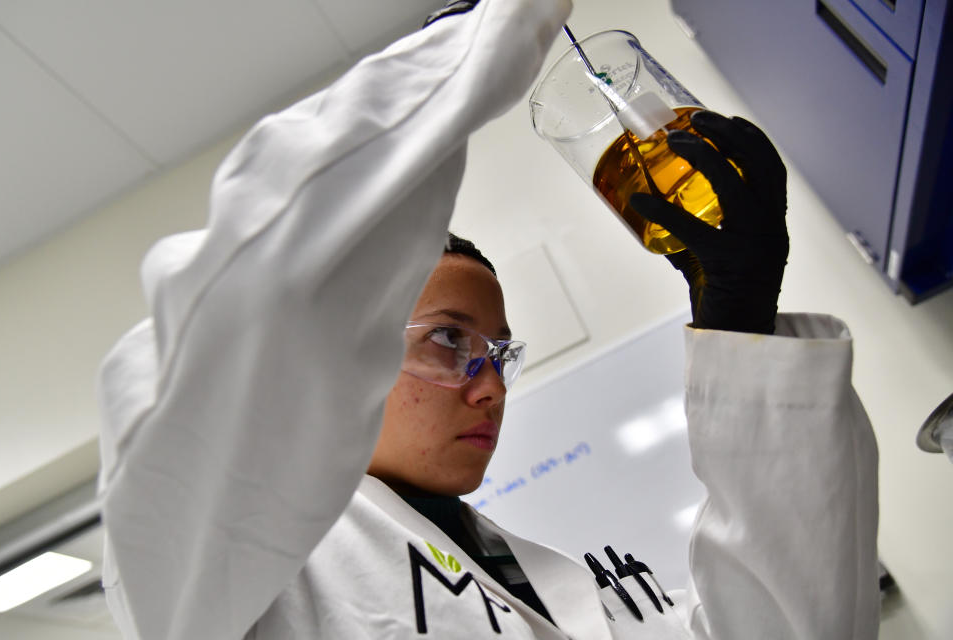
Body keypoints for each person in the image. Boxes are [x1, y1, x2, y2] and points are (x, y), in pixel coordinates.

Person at [96, 0, 880, 638]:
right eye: (448, 341)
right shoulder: (235, 572)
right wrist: (462, 56)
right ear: (340, 350)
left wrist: (740, 323)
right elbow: (211, 338)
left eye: (499, 353)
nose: (491, 387)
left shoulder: (565, 588)